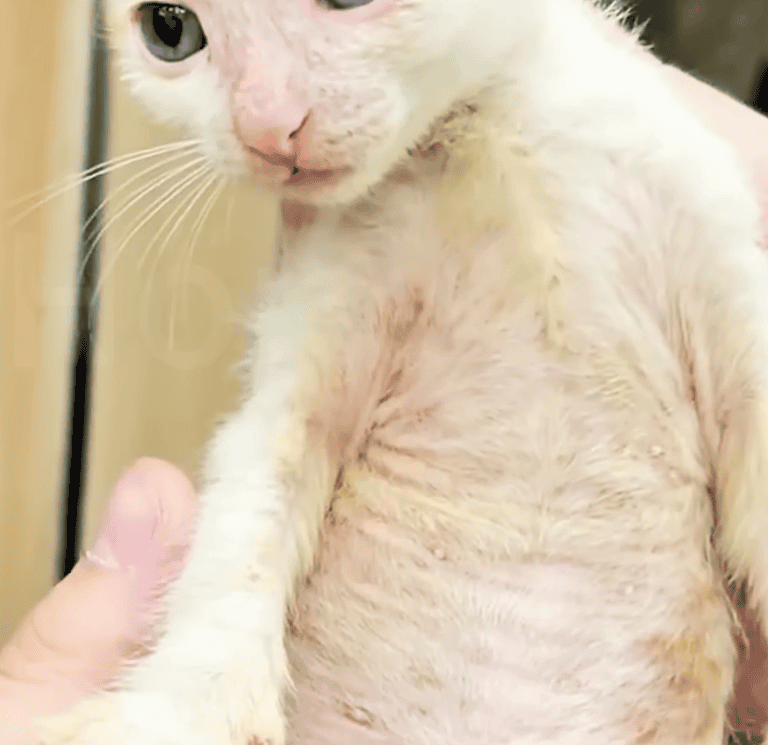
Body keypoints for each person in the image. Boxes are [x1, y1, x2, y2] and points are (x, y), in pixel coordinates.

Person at [3, 65, 768, 745]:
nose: (267, 122)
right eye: (176, 32)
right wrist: (198, 690)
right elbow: (286, 449)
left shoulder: (657, 166)